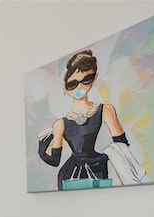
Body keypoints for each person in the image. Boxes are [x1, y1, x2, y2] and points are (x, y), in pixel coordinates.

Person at [38, 50, 131, 190]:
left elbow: (121, 145)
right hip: (69, 173)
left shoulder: (105, 110)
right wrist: (41, 149)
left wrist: (105, 155)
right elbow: (55, 161)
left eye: (86, 80)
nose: (80, 87)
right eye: (73, 84)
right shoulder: (60, 123)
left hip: (97, 167)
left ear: (94, 78)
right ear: (66, 89)